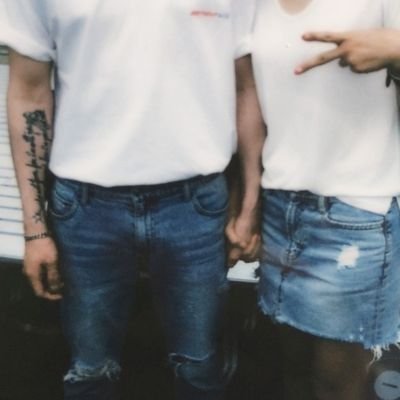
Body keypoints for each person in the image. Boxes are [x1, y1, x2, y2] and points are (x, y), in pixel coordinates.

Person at [1, 1, 255, 399]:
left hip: (195, 203)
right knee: (90, 370)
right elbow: (28, 93)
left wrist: (249, 206)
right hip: (86, 207)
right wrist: (35, 231)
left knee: (199, 367)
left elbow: (246, 88)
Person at [231, 0, 400, 399]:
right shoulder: (253, 5)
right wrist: (250, 203)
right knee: (292, 370)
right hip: (281, 209)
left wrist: (397, 51)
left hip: (355, 213)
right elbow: (249, 93)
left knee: (335, 386)